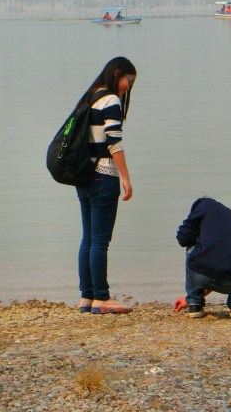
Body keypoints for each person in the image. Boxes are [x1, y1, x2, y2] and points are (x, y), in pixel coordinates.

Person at [76, 57, 137, 315]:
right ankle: (102, 298)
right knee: (100, 241)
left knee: (89, 239)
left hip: (83, 175)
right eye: (128, 80)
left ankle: (87, 297)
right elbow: (114, 143)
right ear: (116, 73)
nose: (128, 86)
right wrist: (126, 177)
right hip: (103, 175)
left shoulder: (91, 96)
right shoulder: (110, 100)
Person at [176, 197, 231, 319]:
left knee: (191, 248)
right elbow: (220, 266)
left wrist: (190, 298)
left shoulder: (202, 207)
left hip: (202, 275)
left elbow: (183, 239)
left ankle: (194, 304)